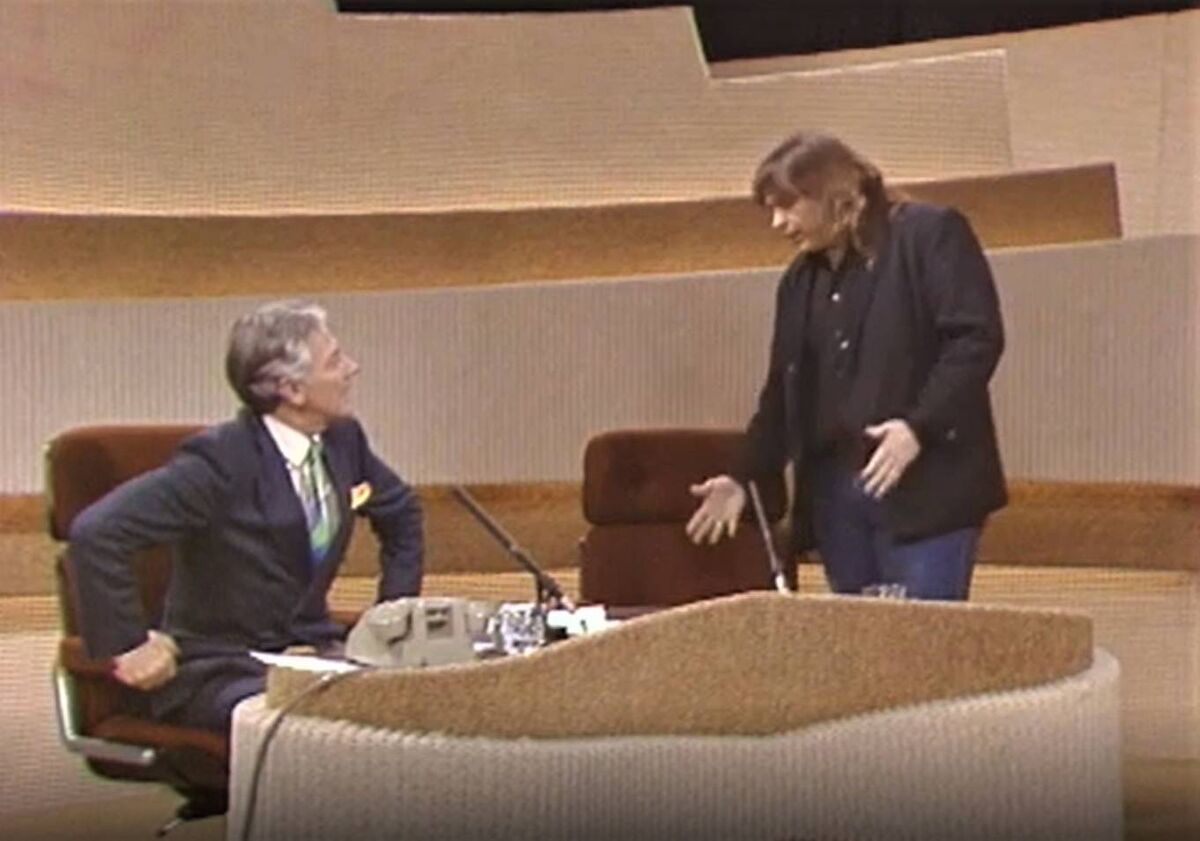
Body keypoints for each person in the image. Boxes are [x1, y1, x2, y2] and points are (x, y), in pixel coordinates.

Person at [69, 299, 424, 737]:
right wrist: (129, 644)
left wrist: (390, 618)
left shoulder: (342, 441)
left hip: (315, 656)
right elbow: (97, 533)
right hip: (220, 670)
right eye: (334, 361)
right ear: (291, 390)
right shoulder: (219, 461)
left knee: (412, 706)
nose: (352, 368)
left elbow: (401, 514)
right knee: (322, 729)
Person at [686, 131, 1006, 600]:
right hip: (837, 500)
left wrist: (917, 428)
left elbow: (975, 341)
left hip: (924, 490)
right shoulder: (799, 281)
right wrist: (743, 477)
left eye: (787, 206)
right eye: (770, 210)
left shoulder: (928, 233)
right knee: (859, 655)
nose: (777, 223)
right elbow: (781, 396)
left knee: (922, 653)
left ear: (832, 196)